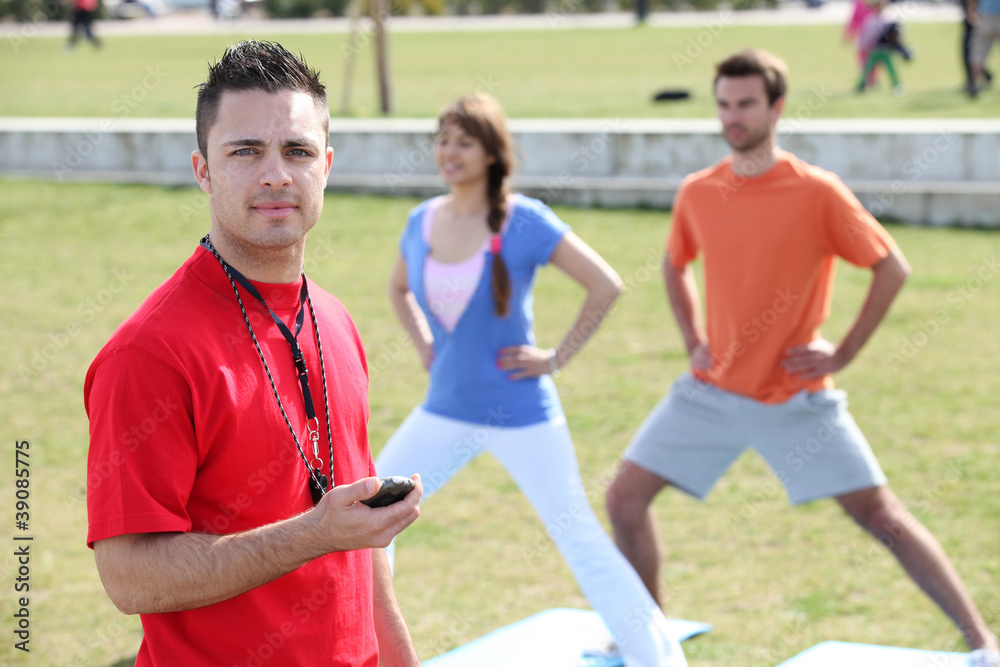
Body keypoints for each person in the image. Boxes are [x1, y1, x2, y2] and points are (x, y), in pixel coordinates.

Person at [605, 48, 1000, 667]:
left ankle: (983, 643)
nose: (732, 117)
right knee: (623, 498)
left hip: (793, 395)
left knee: (881, 517)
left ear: (776, 108)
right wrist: (691, 336)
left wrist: (841, 351)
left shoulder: (816, 191)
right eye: (724, 104)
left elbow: (891, 267)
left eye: (746, 104)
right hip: (709, 390)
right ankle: (648, 639)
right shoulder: (699, 191)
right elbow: (675, 262)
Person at [85, 40, 423, 666]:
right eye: (245, 151)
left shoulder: (336, 319)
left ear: (325, 165)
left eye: (296, 151)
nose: (275, 174)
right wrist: (314, 534)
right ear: (203, 169)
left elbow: (361, 546)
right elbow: (130, 576)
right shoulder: (148, 353)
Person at [374, 93, 689, 667]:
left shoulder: (525, 220)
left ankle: (658, 659)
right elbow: (398, 287)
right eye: (443, 139)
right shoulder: (422, 220)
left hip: (521, 413)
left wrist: (555, 357)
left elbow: (605, 283)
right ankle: (372, 650)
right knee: (372, 518)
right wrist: (425, 345)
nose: (449, 151)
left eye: (464, 141)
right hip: (444, 408)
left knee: (582, 543)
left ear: (492, 153)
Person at [967, 0, 1000, 96]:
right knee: (978, 50)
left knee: (978, 52)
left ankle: (974, 84)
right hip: (987, 14)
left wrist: (971, 9)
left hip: (986, 15)